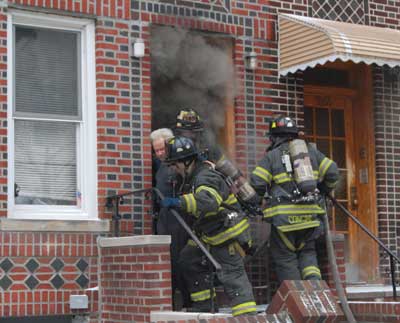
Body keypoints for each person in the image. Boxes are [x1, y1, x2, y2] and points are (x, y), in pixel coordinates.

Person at [161, 136, 257, 316]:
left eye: (175, 164)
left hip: (227, 235)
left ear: (187, 161)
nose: (174, 168)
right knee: (189, 259)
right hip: (209, 234)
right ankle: (204, 309)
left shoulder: (205, 175)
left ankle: (247, 317)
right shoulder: (193, 176)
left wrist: (179, 202)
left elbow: (208, 202)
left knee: (232, 277)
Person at [250, 115, 339, 284]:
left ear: (274, 137)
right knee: (308, 255)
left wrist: (255, 200)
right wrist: (323, 189)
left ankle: (297, 300)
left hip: (284, 220)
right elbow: (333, 172)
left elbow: (257, 182)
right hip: (311, 218)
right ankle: (315, 294)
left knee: (285, 258)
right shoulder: (311, 152)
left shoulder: (272, 156)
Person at [150, 128, 190, 309]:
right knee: (169, 261)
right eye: (156, 150)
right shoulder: (159, 166)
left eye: (162, 149)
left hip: (179, 218)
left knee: (181, 260)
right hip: (164, 219)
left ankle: (188, 302)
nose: (159, 154)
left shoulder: (181, 165)